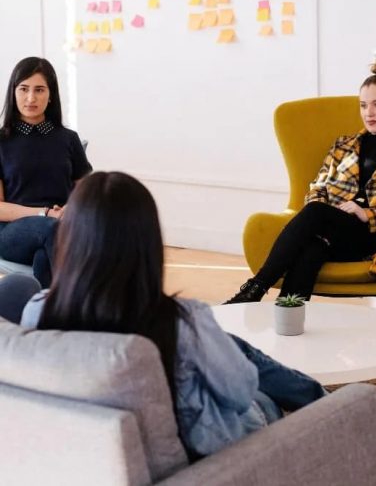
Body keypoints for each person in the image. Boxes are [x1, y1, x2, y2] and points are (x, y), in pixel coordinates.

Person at [0, 171, 325, 460]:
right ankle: (324, 407)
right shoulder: (180, 320)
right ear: (147, 242)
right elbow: (239, 392)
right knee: (260, 395)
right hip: (209, 456)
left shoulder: (38, 310)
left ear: (70, 239)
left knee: (227, 345)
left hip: (91, 453)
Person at [225, 59, 376, 304]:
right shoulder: (344, 145)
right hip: (332, 228)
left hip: (373, 236)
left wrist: (369, 214)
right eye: (364, 105)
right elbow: (318, 187)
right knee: (312, 249)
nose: (369, 113)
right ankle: (288, 318)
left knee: (315, 212)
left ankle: (255, 287)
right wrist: (330, 213)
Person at [0, 57, 92, 286]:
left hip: (60, 227)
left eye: (39, 90)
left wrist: (72, 208)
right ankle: (91, 303)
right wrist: (45, 213)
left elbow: (87, 191)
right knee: (54, 230)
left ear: (51, 95)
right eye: (23, 89)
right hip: (12, 232)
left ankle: (48, 313)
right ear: (13, 92)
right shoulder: (1, 141)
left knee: (45, 258)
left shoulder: (68, 139)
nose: (31, 98)